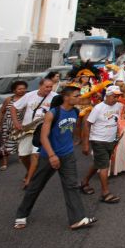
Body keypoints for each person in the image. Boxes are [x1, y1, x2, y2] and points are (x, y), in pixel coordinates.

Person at [13, 86, 96, 231]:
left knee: (71, 186)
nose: (78, 98)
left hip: (68, 155)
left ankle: (77, 219)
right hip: (49, 156)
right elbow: (44, 137)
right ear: (66, 97)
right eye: (76, 96)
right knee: (36, 186)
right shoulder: (53, 113)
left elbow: (72, 130)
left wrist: (79, 142)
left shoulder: (76, 111)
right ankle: (21, 215)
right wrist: (52, 155)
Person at [10, 78, 56, 189]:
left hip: (42, 130)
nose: (49, 89)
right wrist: (16, 122)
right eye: (47, 87)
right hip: (27, 129)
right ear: (40, 86)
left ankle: (29, 181)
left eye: (51, 87)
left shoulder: (55, 96)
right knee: (23, 155)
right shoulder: (29, 95)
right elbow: (13, 108)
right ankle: (30, 170)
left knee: (35, 155)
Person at [80, 85, 122, 203]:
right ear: (107, 96)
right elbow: (87, 124)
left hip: (111, 140)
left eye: (118, 96)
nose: (117, 98)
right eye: (115, 96)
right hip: (98, 140)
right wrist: (85, 144)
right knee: (104, 166)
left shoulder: (118, 105)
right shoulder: (98, 108)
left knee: (99, 163)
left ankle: (84, 182)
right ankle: (105, 193)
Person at [0, 80, 27, 170]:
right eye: (19, 89)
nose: (22, 90)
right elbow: (1, 112)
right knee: (5, 143)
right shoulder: (9, 99)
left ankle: (21, 157)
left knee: (21, 142)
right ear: (14, 90)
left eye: (24, 88)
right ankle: (4, 163)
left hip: (23, 125)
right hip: (8, 125)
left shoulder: (28, 99)